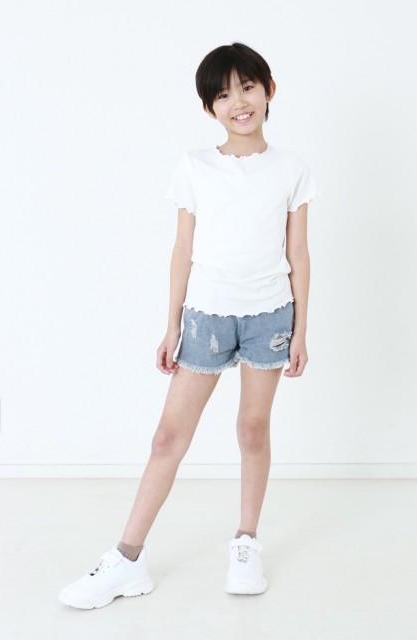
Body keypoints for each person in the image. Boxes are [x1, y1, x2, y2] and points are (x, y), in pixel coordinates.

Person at [58, 41, 321, 609]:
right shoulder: (194, 166)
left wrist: (301, 330)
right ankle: (127, 559)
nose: (238, 103)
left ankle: (245, 544)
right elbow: (182, 249)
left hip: (270, 316)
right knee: (167, 437)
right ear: (209, 108)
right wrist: (171, 324)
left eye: (247, 88)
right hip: (205, 316)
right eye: (223, 95)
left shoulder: (292, 169)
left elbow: (299, 253)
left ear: (269, 90)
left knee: (253, 430)